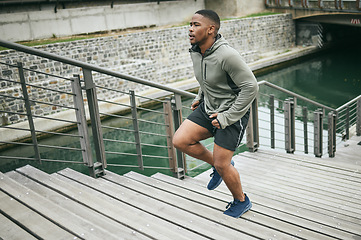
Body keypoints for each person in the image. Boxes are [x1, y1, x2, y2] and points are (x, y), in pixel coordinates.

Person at [172, 9, 258, 218]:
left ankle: (241, 201)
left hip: (231, 113)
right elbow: (208, 78)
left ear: (211, 29)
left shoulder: (227, 55)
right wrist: (200, 96)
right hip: (208, 107)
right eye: (190, 24)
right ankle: (220, 167)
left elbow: (251, 87)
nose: (190, 29)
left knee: (222, 163)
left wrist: (227, 117)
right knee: (180, 140)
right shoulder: (196, 50)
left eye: (196, 25)